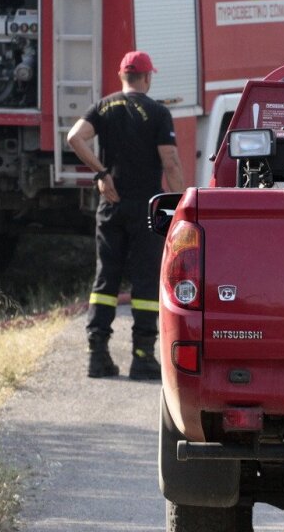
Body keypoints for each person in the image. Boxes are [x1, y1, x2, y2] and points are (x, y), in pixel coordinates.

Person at [67, 51, 186, 380]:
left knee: (106, 279)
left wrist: (101, 173)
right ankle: (142, 356)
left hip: (111, 206)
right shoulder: (158, 112)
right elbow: (171, 162)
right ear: (147, 78)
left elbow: (74, 137)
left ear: (122, 77)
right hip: (146, 207)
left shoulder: (103, 106)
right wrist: (181, 204)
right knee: (145, 280)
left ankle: (97, 354)